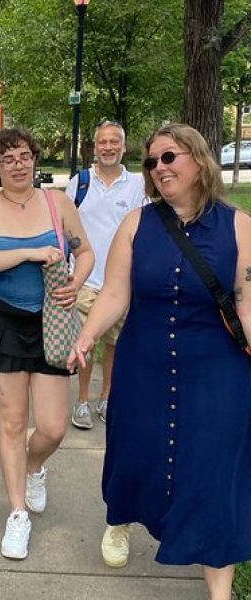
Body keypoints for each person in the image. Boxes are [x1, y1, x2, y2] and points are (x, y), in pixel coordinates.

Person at [68, 123, 251, 600]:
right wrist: (86, 336)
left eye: (169, 157)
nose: (159, 168)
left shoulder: (238, 226)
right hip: (143, 362)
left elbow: (246, 302)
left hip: (216, 369)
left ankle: (219, 591)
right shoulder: (137, 224)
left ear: (198, 159)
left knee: (213, 470)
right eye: (151, 162)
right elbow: (114, 293)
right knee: (136, 450)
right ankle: (121, 520)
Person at [0, 128, 93, 560]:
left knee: (53, 427)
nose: (17, 164)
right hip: (2, 321)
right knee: (13, 423)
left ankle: (34, 466)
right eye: (7, 159)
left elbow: (84, 251)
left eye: (24, 155)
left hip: (51, 321)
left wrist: (76, 281)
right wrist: (27, 254)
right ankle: (17, 513)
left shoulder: (58, 204)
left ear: (35, 159)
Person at [65, 121, 146, 430]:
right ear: (95, 147)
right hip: (85, 280)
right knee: (84, 342)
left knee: (114, 345)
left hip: (122, 283)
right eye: (103, 142)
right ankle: (82, 400)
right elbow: (65, 226)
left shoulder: (138, 185)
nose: (109, 147)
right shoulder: (80, 182)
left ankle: (107, 396)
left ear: (124, 147)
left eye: (115, 142)